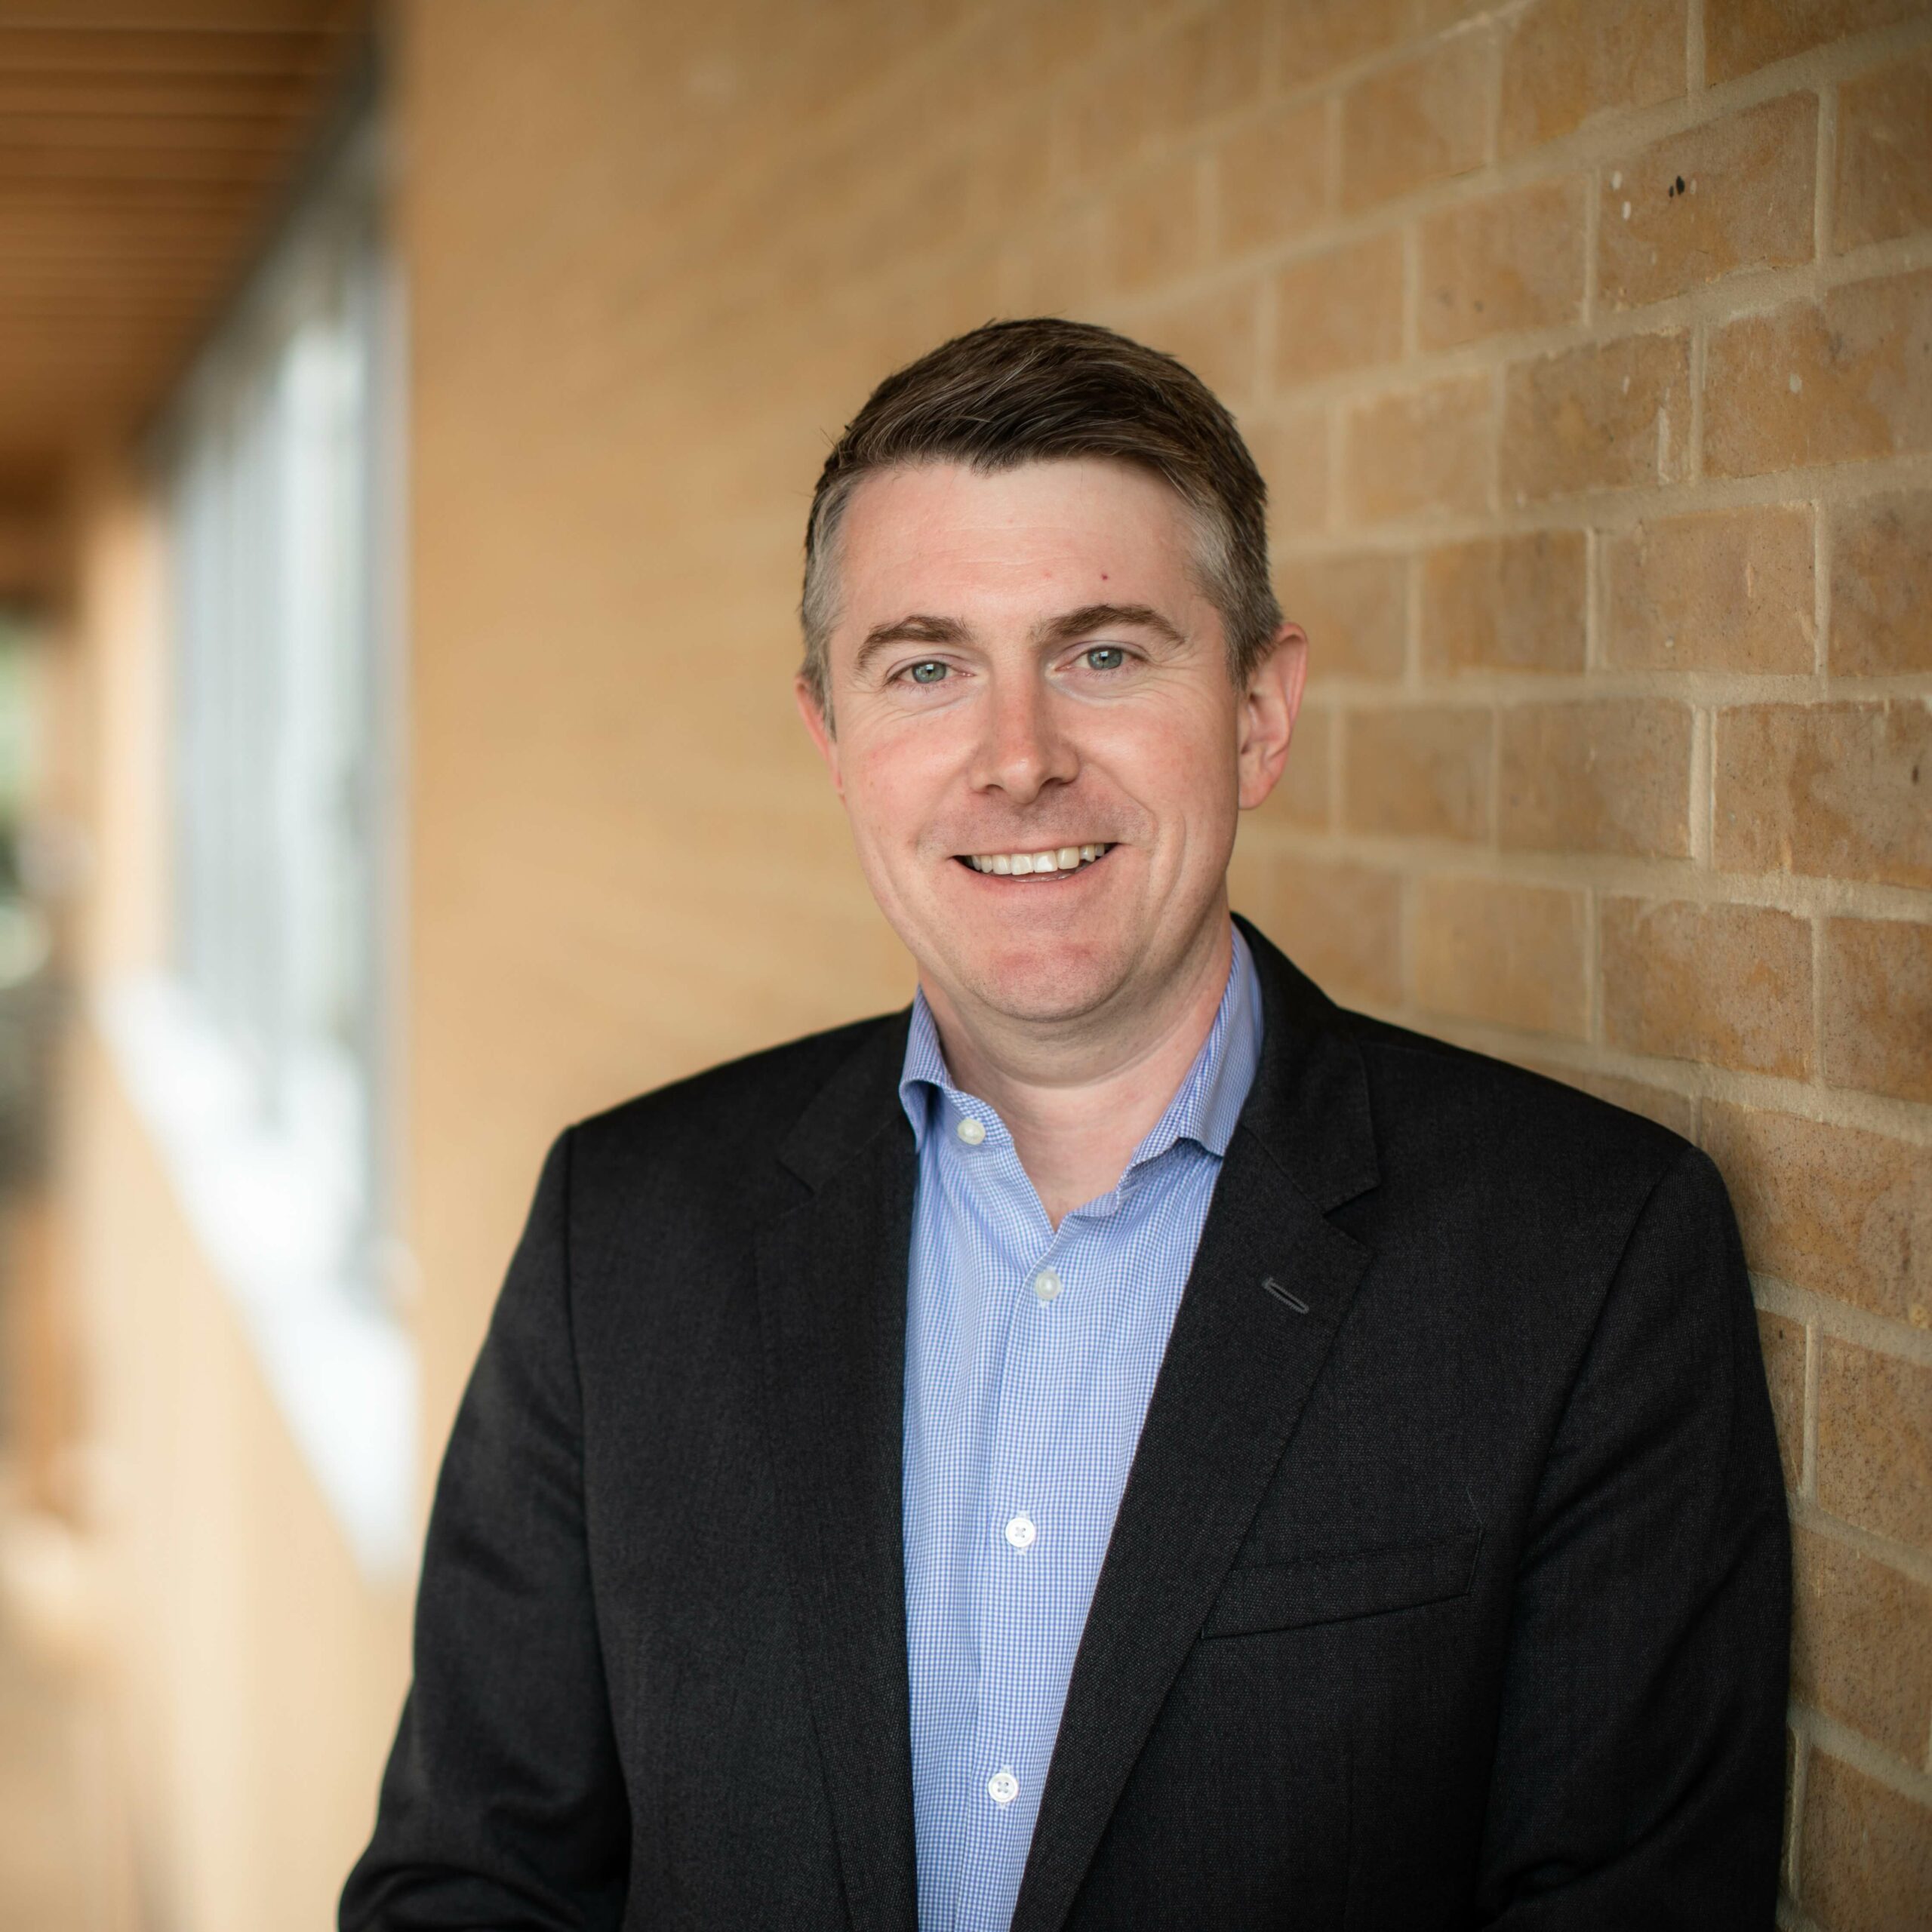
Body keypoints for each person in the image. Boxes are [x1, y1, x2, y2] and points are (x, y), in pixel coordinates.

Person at [341, 318, 1790, 1932]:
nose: (1017, 757)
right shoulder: (618, 1233)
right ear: (832, 738)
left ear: (1256, 708)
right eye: (925, 666)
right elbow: (472, 1884)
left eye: (1102, 651)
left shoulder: (1583, 1255)